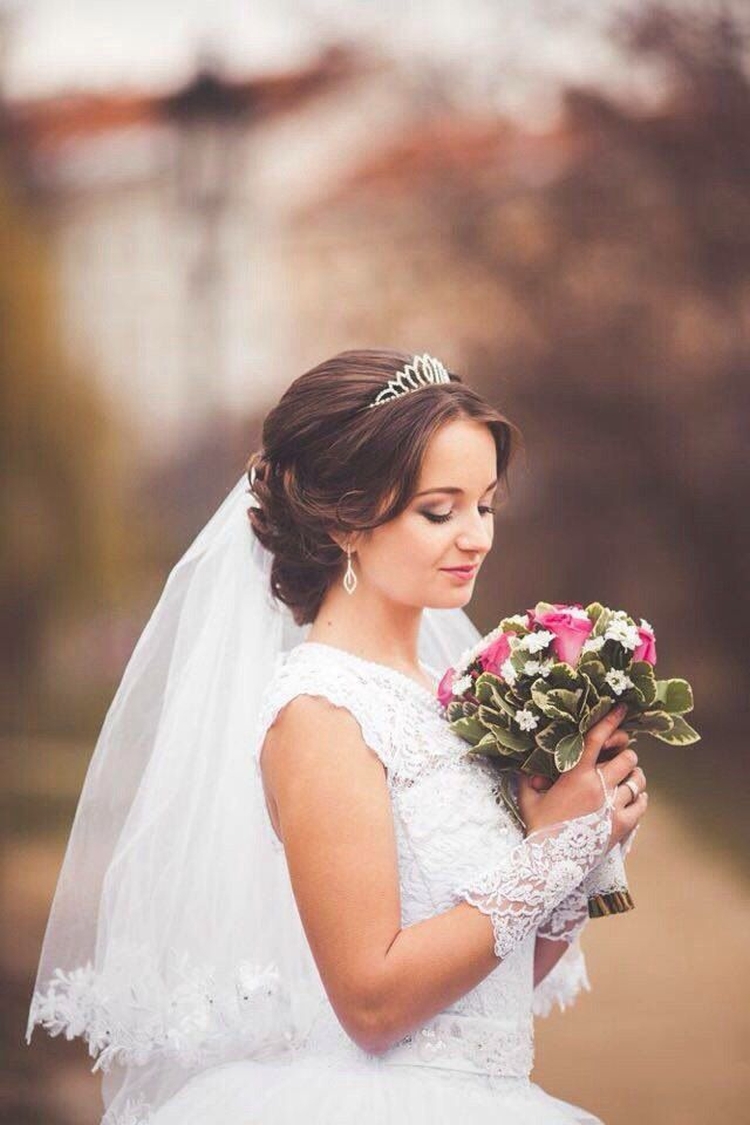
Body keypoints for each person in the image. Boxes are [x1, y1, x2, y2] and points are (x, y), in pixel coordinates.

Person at [26, 349, 648, 1124]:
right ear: (348, 519)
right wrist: (545, 851)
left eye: (484, 504)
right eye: (438, 509)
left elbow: (492, 989)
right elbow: (374, 1002)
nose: (476, 536)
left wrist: (586, 849)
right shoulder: (322, 712)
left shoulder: (450, 698)